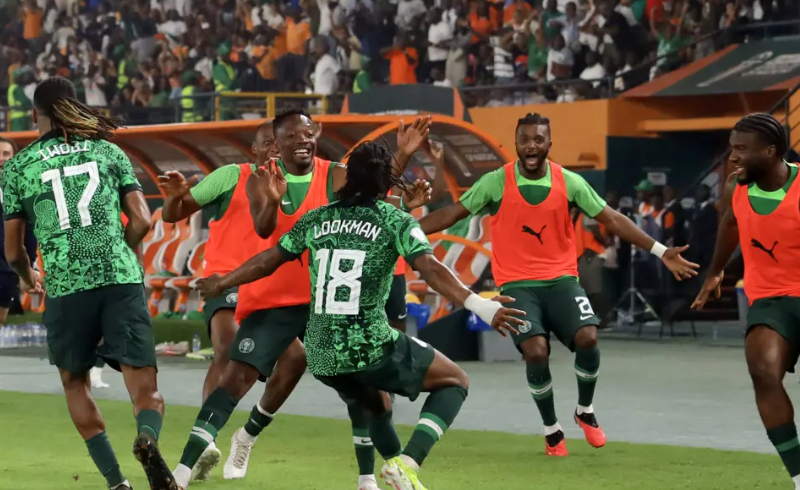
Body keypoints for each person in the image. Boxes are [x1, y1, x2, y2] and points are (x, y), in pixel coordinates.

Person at [195, 141, 525, 490]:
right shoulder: (393, 219)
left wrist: (223, 282)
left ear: (346, 178)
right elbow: (430, 268)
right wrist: (481, 305)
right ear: (386, 184)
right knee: (456, 381)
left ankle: (372, 477)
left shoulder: (321, 216)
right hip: (362, 338)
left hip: (321, 350)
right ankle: (405, 462)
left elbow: (271, 257)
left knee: (373, 401)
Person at [169, 109, 433, 490]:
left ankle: (370, 478)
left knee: (365, 391)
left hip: (324, 303)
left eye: (307, 134)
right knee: (236, 377)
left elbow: (373, 192)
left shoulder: (332, 173)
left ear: (316, 135)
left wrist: (403, 156)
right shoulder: (261, 177)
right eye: (292, 136)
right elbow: (263, 229)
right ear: (277, 144)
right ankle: (179, 474)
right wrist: (274, 201)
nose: (302, 141)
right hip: (273, 296)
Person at [417, 112, 699, 456]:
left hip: (563, 281)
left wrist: (660, 250)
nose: (531, 146)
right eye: (525, 140)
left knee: (589, 337)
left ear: (549, 144)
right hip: (518, 286)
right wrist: (402, 226)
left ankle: (585, 410)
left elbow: (611, 218)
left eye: (538, 140)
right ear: (517, 142)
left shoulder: (570, 182)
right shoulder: (495, 182)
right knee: (536, 352)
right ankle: (552, 430)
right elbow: (452, 214)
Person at [1, 77, 175, 490]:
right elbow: (144, 220)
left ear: (34, 115)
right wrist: (124, 253)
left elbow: (12, 252)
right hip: (119, 278)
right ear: (76, 106)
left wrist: (29, 279)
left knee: (74, 382)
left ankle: (117, 482)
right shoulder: (108, 150)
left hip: (64, 285)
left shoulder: (19, 167)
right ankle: (147, 439)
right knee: (144, 384)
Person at [157, 120, 280, 482]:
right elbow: (172, 215)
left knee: (294, 361)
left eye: (280, 142)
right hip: (226, 278)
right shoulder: (230, 176)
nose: (275, 148)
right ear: (254, 150)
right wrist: (175, 196)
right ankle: (206, 439)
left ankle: (248, 434)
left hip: (273, 287)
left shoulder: (299, 184)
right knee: (226, 347)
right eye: (268, 143)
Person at [692, 113, 800, 490]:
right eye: (731, 147)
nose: (733, 157)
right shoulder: (736, 186)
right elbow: (732, 225)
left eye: (741, 149)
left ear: (770, 152)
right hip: (769, 298)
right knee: (762, 371)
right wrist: (715, 272)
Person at [0, 137, 38, 327]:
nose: (2, 159)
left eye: (6, 154)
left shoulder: (23, 193)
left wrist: (29, 270)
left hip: (6, 271)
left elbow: (29, 236)